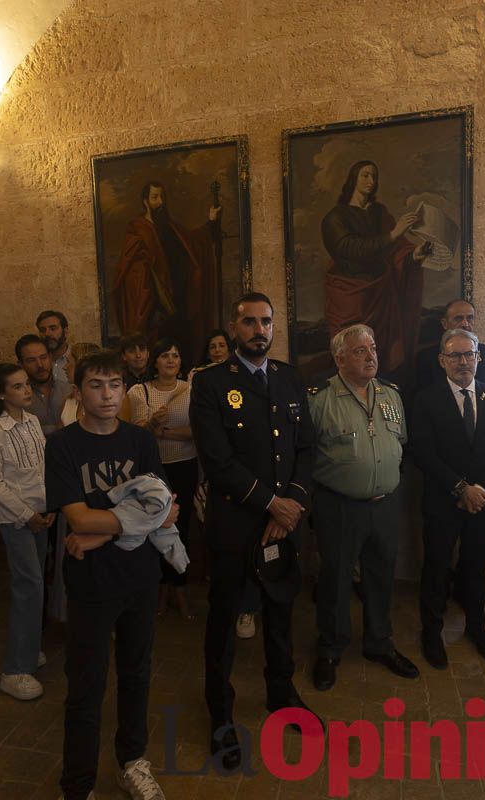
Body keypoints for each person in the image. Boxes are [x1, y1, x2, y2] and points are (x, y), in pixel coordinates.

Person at [190, 291, 319, 771]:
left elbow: (306, 447)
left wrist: (294, 504)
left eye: (266, 322)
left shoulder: (288, 376)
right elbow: (218, 461)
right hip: (236, 521)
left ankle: (281, 694)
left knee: (281, 610)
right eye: (249, 322)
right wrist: (273, 504)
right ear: (233, 326)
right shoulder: (210, 383)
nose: (259, 330)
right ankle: (220, 713)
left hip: (284, 523)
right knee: (224, 619)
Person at [46, 350, 175, 800]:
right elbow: (78, 517)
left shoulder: (140, 441)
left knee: (136, 674)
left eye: (114, 384)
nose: (106, 394)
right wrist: (99, 527)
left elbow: (167, 509)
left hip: (139, 576)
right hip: (91, 584)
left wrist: (101, 534)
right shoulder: (63, 445)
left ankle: (131, 761)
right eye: (96, 385)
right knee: (86, 685)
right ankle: (77, 785)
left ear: (124, 389)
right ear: (79, 392)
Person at [308, 324, 418, 691]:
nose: (371, 356)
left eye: (372, 348)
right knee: (336, 579)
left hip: (385, 505)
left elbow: (399, 442)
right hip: (339, 506)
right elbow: (306, 454)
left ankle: (379, 642)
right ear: (340, 358)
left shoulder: (391, 395)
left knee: (381, 577)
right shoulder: (319, 399)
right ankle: (331, 647)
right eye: (360, 351)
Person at [410, 328, 485, 668]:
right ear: (442, 360)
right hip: (443, 502)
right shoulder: (426, 399)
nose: (463, 362)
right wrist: (460, 489)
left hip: (483, 503)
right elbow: (422, 453)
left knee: (475, 569)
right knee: (436, 568)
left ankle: (476, 628)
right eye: (454, 355)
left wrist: (479, 489)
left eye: (469, 355)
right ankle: (432, 632)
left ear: (479, 358)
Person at [0, 364, 55, 699]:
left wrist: (49, 506)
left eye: (26, 386)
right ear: (0, 394)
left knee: (38, 585)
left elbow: (41, 469)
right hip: (16, 519)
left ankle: (29, 647)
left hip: (41, 514)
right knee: (29, 587)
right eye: (18, 386)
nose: (27, 391)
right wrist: (27, 514)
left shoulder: (33, 422)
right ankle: (15, 669)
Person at [320, 160, 429, 374]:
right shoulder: (335, 217)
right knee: (347, 354)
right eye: (365, 175)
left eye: (374, 176)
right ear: (354, 179)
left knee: (382, 354)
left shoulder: (379, 213)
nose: (371, 181)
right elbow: (349, 248)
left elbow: (395, 250)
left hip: (380, 296)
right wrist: (393, 234)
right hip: (349, 295)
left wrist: (415, 255)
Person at [127, 338, 198, 620]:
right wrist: (153, 424)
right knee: (155, 527)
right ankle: (159, 589)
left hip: (184, 465)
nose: (171, 360)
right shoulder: (138, 391)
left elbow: (196, 432)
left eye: (176, 355)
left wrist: (161, 432)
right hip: (153, 470)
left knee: (180, 527)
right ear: (154, 361)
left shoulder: (191, 390)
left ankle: (179, 588)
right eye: (165, 355)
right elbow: (136, 434)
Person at [112, 180, 221, 361]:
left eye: (162, 197)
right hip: (156, 309)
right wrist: (153, 294)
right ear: (145, 201)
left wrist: (210, 222)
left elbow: (192, 242)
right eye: (155, 197)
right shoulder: (138, 230)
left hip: (179, 305)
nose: (160, 202)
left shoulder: (169, 227)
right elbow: (132, 272)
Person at [415, 299, 485, 393]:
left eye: (470, 318)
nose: (465, 324)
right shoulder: (426, 358)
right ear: (444, 324)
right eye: (458, 318)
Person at [17, 333, 65, 435]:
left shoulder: (68, 390)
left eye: (43, 357)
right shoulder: (17, 398)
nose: (40, 365)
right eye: (31, 360)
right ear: (21, 364)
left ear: (50, 357)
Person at [36, 310, 73, 400]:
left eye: (53, 328)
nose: (47, 334)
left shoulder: (76, 359)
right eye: (43, 330)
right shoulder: (37, 363)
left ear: (66, 331)